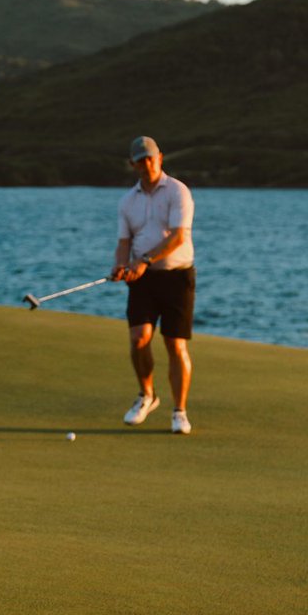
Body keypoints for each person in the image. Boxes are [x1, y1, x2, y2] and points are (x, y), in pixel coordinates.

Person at [111, 136, 196, 435]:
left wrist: (144, 259)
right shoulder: (127, 201)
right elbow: (124, 242)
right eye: (140, 160)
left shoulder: (178, 192)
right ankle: (147, 395)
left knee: (175, 344)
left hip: (177, 276)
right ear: (133, 164)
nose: (146, 163)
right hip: (143, 279)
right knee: (138, 338)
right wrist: (121, 264)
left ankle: (179, 411)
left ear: (160, 157)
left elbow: (178, 237)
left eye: (150, 157)